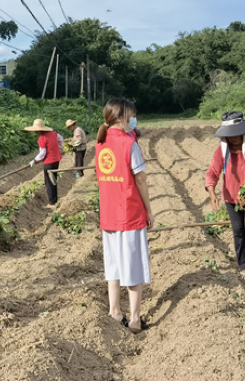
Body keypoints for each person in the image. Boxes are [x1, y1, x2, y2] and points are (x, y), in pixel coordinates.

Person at [95, 98, 154, 334]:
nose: (134, 120)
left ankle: (114, 311)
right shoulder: (130, 145)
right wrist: (149, 210)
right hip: (129, 212)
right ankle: (135, 319)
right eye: (132, 115)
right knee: (133, 267)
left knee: (114, 265)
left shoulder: (100, 143)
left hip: (109, 213)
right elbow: (140, 179)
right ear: (121, 117)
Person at [204, 111, 245, 281]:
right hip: (231, 197)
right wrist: (212, 193)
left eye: (236, 134)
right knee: (238, 231)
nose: (233, 138)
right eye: (230, 135)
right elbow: (213, 172)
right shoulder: (222, 151)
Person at [24, 119, 63, 209]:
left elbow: (42, 154)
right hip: (56, 160)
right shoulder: (53, 133)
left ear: (39, 129)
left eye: (36, 129)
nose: (35, 131)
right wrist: (59, 147)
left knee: (49, 182)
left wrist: (34, 161)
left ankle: (52, 203)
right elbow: (61, 139)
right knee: (53, 179)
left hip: (49, 162)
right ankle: (55, 200)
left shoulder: (42, 138)